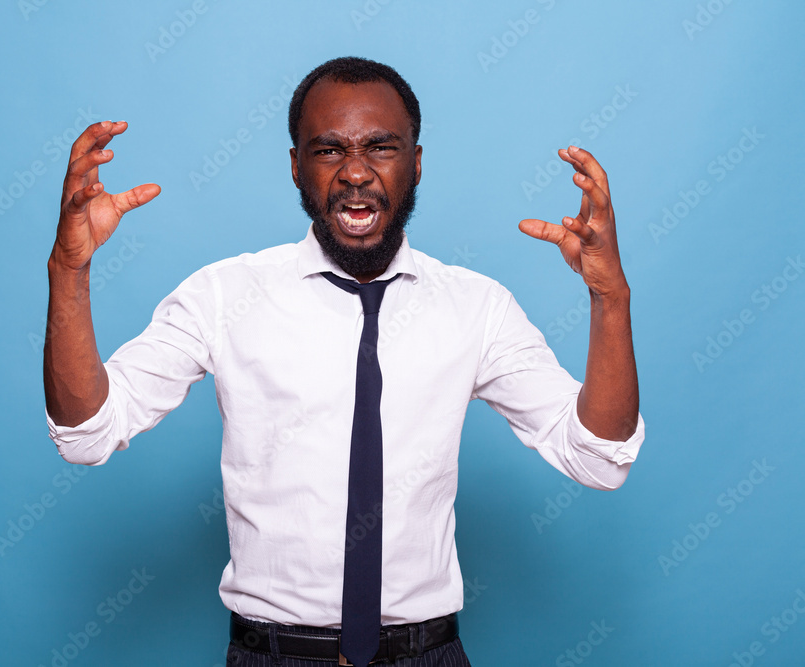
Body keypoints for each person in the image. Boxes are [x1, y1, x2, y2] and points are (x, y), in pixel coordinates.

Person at [43, 57, 643, 666]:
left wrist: (609, 296)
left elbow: (598, 457)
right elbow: (87, 433)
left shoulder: (476, 306)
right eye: (329, 151)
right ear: (297, 167)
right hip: (274, 655)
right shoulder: (223, 295)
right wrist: (69, 272)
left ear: (415, 163)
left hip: (427, 654)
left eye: (381, 147)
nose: (356, 172)